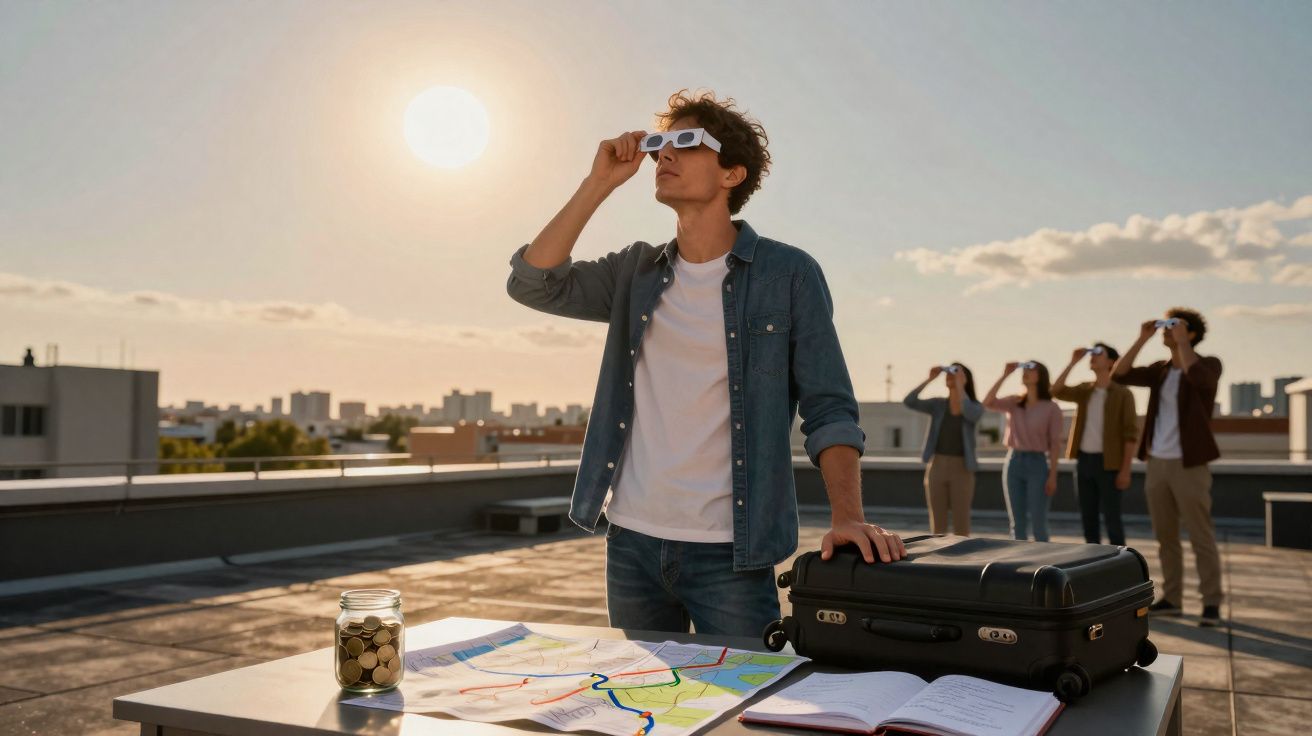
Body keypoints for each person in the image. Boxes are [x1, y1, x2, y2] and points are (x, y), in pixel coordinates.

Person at [505, 90, 905, 637]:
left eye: (686, 142)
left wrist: (848, 517)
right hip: (631, 544)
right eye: (659, 146)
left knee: (743, 714)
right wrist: (598, 183)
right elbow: (532, 283)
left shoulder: (786, 274)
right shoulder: (634, 272)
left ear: (732, 174)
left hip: (731, 553)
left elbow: (829, 406)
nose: (664, 155)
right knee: (646, 713)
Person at [1113, 308, 1224, 626]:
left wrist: (1181, 343)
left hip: (1190, 463)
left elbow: (1200, 379)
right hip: (1158, 462)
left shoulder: (1208, 364)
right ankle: (1173, 597)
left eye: (1176, 327)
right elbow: (1121, 374)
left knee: (1201, 535)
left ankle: (1211, 602)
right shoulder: (1159, 370)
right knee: (1166, 536)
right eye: (1167, 326)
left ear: (1192, 334)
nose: (1168, 331)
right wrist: (1142, 337)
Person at [1052, 344, 1139, 546]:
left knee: (1112, 520)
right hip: (1084, 461)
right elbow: (1056, 390)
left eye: (1099, 353)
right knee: (1088, 518)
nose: (1093, 357)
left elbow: (1130, 434)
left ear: (1111, 362)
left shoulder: (1123, 394)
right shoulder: (1085, 390)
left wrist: (1125, 470)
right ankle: (1092, 565)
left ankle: (1121, 566)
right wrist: (1072, 362)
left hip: (1110, 464)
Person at [984, 361, 1063, 542]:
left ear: (1041, 375)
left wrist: (1053, 476)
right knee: (1017, 523)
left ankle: (1043, 567)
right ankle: (1018, 567)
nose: (1026, 372)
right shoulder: (1014, 402)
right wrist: (1005, 374)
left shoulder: (1052, 408)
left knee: (1038, 522)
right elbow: (987, 402)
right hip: (1013, 461)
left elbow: (1055, 444)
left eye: (1031, 369)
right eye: (1024, 369)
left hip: (1038, 464)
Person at [903, 363, 983, 536]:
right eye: (949, 373)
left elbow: (972, 414)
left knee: (961, 524)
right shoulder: (938, 405)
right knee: (938, 525)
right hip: (937, 465)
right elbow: (909, 401)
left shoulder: (974, 406)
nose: (950, 376)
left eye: (955, 373)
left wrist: (961, 386)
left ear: (965, 379)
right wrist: (930, 378)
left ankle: (963, 561)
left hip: (962, 468)